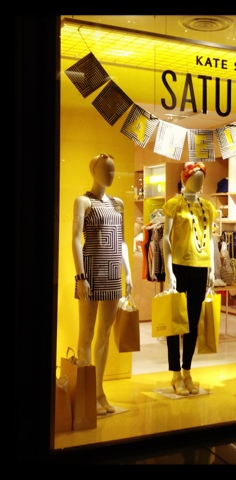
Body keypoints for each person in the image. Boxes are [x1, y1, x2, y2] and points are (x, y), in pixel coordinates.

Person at [72, 153, 132, 415]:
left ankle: (99, 392)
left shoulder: (118, 204)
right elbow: (75, 238)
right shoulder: (83, 201)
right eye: (106, 169)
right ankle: (85, 394)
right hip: (90, 273)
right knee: (85, 334)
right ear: (93, 171)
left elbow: (122, 240)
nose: (111, 174)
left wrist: (127, 273)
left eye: (113, 170)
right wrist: (80, 276)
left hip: (112, 275)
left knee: (104, 335)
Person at [163, 162, 216, 396]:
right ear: (185, 179)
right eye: (195, 177)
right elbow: (165, 238)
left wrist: (212, 269)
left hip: (200, 267)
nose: (199, 181)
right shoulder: (174, 204)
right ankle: (175, 373)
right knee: (176, 322)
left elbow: (210, 238)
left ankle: (187, 371)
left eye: (202, 178)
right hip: (179, 267)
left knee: (193, 324)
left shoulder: (208, 207)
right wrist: (168, 270)